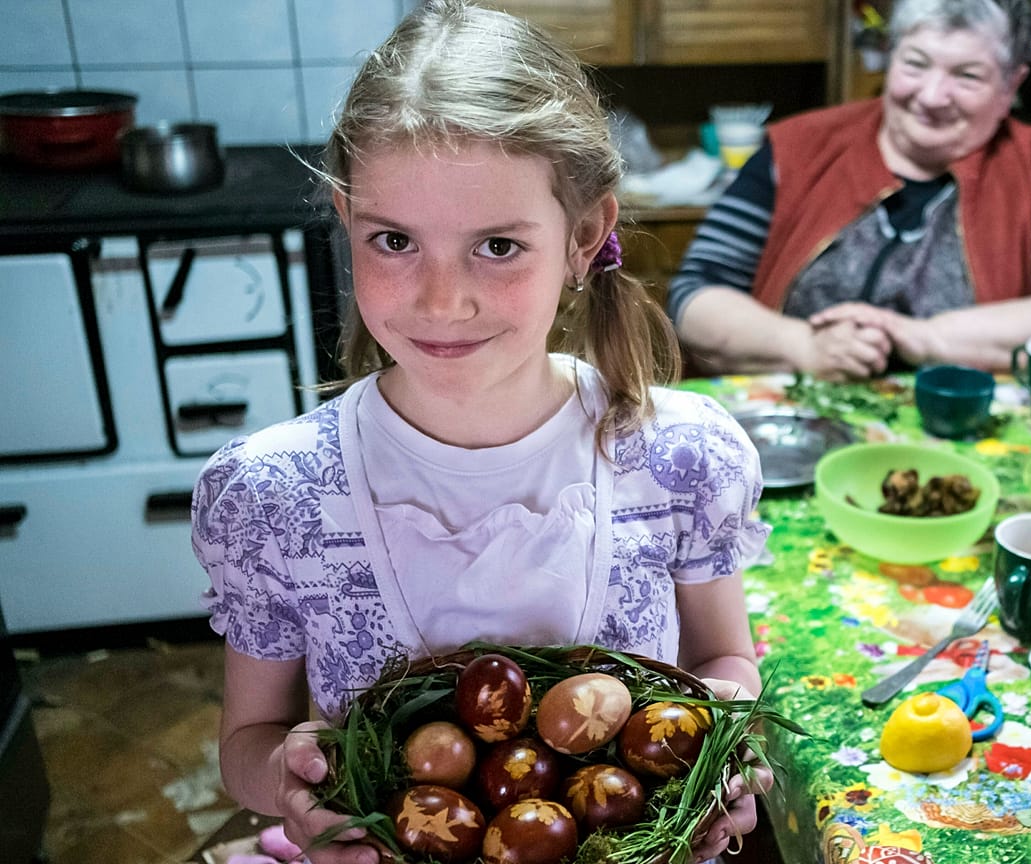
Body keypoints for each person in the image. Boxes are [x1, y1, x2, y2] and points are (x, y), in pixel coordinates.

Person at [191, 3, 770, 862]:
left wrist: (720, 759)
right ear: (349, 223)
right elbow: (246, 744)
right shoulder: (277, 497)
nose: (440, 300)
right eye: (394, 241)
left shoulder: (678, 460)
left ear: (583, 238)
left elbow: (725, 658)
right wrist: (286, 778)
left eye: (497, 246)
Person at [668, 0, 1031, 379]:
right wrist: (804, 347)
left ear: (1010, 85)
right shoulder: (798, 148)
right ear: (890, 58)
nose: (932, 96)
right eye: (915, 64)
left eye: (967, 75)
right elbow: (694, 297)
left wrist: (927, 338)